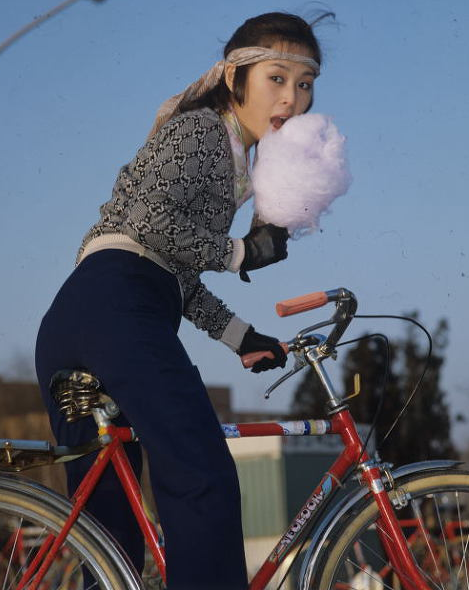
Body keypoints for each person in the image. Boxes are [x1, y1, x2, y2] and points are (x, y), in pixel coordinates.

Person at [35, 11, 326, 590]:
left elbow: (171, 269)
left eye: (305, 84)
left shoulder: (233, 158)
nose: (291, 99)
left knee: (111, 532)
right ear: (235, 78)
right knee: (202, 476)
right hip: (119, 305)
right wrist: (241, 252)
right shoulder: (202, 132)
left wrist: (241, 336)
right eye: (276, 78)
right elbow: (149, 225)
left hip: (87, 313)